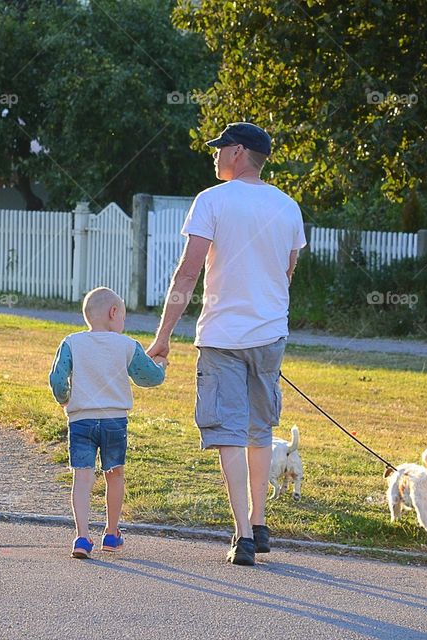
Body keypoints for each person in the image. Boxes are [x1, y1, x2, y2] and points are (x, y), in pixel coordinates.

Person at [147, 122, 306, 566]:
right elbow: (288, 271)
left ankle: (242, 536)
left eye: (220, 149)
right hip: (270, 335)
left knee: (229, 433)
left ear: (238, 152)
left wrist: (163, 337)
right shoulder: (288, 206)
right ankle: (258, 520)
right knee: (260, 429)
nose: (215, 155)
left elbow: (187, 273)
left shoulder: (211, 201)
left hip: (220, 337)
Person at [49, 286, 167, 559]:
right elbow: (148, 377)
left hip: (81, 421)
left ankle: (81, 537)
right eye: (123, 317)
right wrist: (161, 366)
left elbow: (56, 379)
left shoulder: (71, 342)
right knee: (115, 475)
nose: (123, 323)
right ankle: (111, 534)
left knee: (82, 477)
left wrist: (65, 399)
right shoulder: (126, 345)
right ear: (114, 313)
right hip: (115, 421)